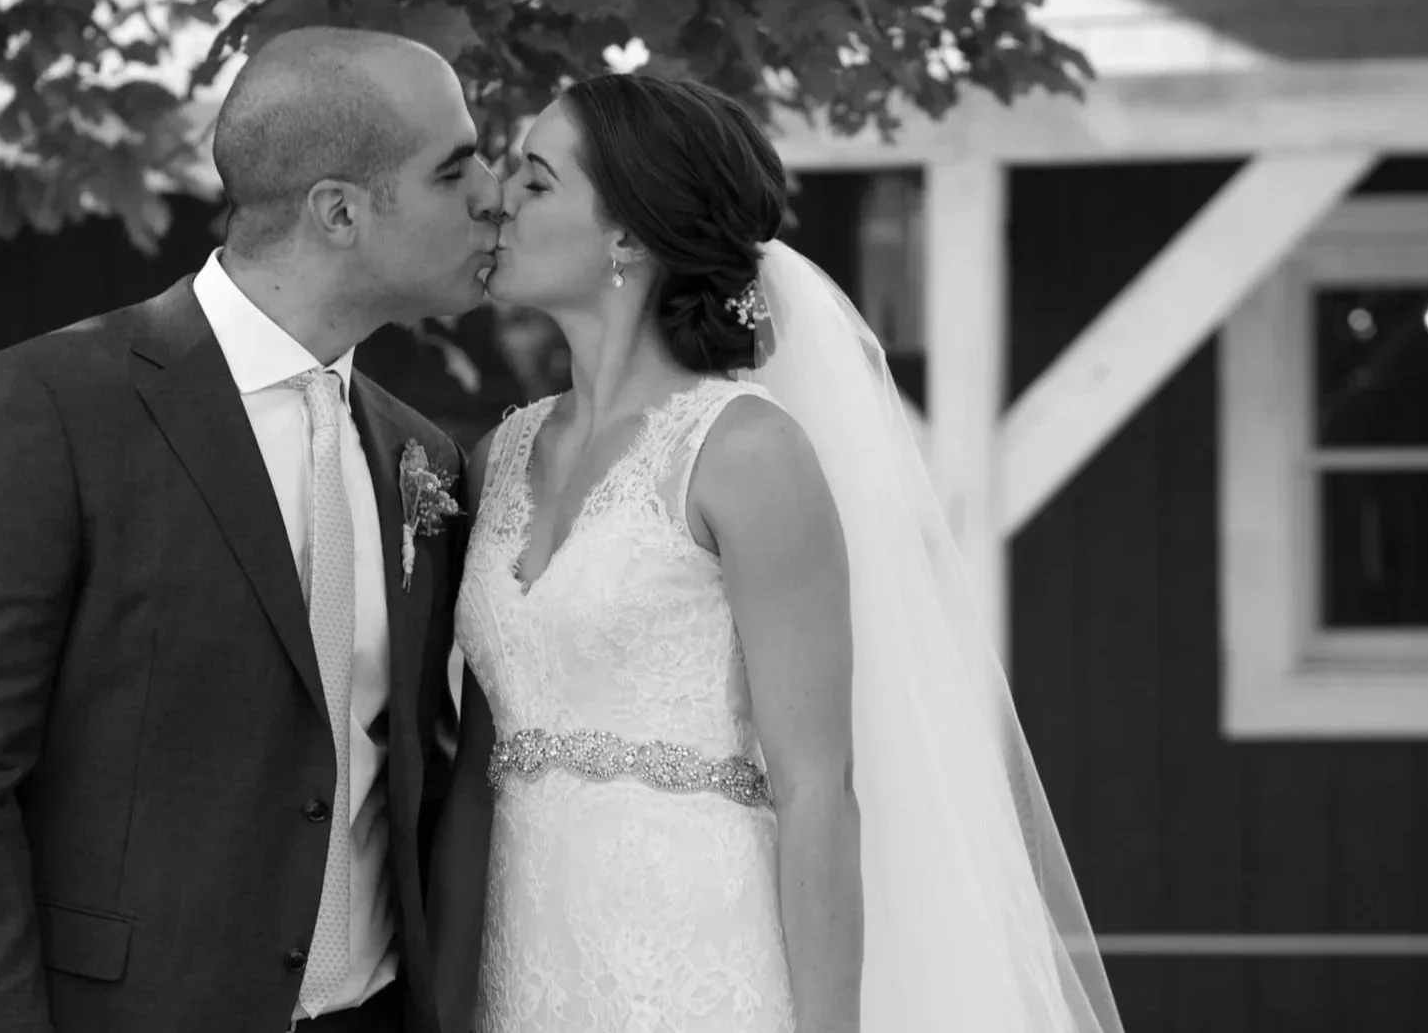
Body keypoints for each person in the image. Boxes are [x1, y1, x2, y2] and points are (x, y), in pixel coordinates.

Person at [428, 74, 1125, 1033]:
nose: (498, 194)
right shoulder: (498, 455)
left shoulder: (744, 451)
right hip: (527, 964)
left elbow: (817, 791)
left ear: (629, 234)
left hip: (698, 962)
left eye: (537, 179)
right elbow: (476, 773)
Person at [0, 26, 502, 1033]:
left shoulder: (418, 455)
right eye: (453, 169)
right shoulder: (48, 405)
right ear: (338, 210)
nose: (490, 196)